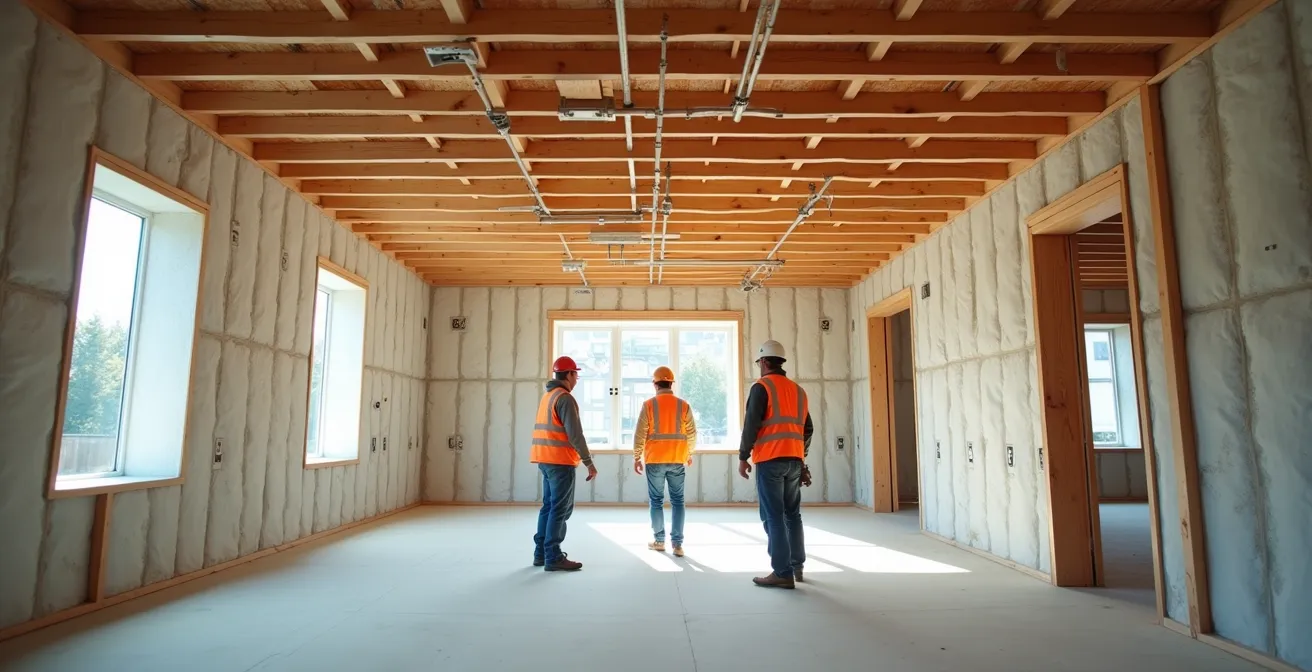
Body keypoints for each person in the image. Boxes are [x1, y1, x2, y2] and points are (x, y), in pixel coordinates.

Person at [737, 340, 814, 589]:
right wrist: (802, 459)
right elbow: (808, 429)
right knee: (793, 514)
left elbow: (752, 425)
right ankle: (797, 565)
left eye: (759, 362)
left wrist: (743, 456)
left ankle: (782, 572)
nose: (759, 366)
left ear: (764, 362)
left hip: (770, 460)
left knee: (773, 516)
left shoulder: (762, 387)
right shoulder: (798, 391)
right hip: (793, 460)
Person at [531, 356, 599, 572]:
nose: (577, 378)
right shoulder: (565, 398)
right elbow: (575, 435)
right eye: (575, 374)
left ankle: (540, 553)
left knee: (549, 506)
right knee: (560, 509)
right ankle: (553, 556)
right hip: (560, 462)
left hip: (545, 459)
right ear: (568, 374)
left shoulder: (548, 396)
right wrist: (589, 462)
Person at [633, 365, 697, 557]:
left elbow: (640, 433)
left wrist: (637, 456)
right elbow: (692, 433)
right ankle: (677, 545)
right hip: (677, 458)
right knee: (678, 501)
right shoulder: (683, 405)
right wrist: (689, 453)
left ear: (655, 384)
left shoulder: (649, 405)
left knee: (656, 500)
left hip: (655, 460)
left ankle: (659, 540)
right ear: (671, 383)